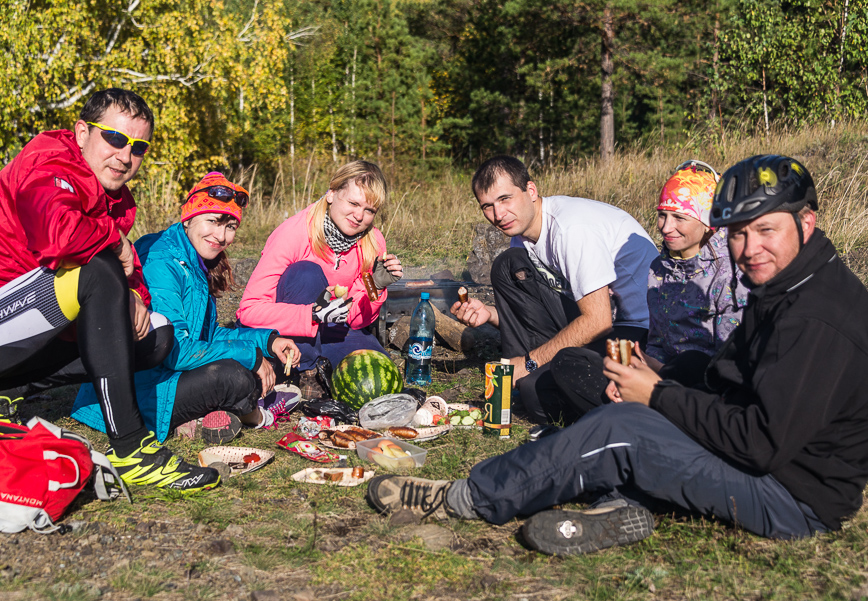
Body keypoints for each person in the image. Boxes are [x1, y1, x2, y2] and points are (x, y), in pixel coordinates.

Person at [367, 155, 868, 557]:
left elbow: (760, 443)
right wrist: (665, 376)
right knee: (651, 390)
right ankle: (621, 504)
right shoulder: (789, 282)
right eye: (737, 232)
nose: (749, 248)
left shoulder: (815, 317)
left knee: (621, 429)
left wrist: (656, 396)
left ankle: (467, 497)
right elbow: (729, 377)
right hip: (770, 459)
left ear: (807, 221)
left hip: (792, 495)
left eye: (765, 230)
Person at [0, 88, 220, 494]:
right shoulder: (46, 163)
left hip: (3, 333)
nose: (125, 156)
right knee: (98, 270)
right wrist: (116, 244)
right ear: (83, 132)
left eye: (138, 147)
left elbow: (126, 270)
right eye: (115, 139)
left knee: (154, 335)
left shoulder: (111, 194)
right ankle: (131, 447)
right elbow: (60, 239)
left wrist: (135, 293)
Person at [71, 172, 301, 444]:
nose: (221, 235)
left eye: (230, 226)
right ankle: (257, 415)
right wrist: (250, 357)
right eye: (213, 221)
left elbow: (207, 336)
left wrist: (268, 341)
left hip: (163, 378)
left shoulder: (192, 258)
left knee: (254, 362)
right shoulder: (162, 262)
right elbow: (175, 352)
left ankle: (215, 410)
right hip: (139, 392)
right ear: (189, 217)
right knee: (235, 377)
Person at [450, 155, 658, 423]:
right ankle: (514, 382)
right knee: (507, 266)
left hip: (637, 331)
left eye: (505, 199)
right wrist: (490, 314)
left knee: (537, 392)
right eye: (487, 206)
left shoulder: (570, 229)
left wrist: (528, 363)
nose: (498, 215)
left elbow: (598, 321)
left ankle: (637, 410)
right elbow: (537, 313)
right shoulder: (522, 237)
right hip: (601, 320)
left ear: (531, 190)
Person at [549, 160, 748, 423]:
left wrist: (657, 373)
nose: (665, 227)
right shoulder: (659, 268)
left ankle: (635, 420)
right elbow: (657, 342)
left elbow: (729, 361)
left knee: (691, 363)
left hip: (707, 387)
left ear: (708, 221)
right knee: (568, 361)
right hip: (662, 377)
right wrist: (638, 367)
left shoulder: (732, 272)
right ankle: (636, 417)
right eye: (662, 215)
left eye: (679, 218)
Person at [236, 160, 402, 398]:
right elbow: (249, 311)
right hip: (282, 332)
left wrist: (374, 286)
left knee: (376, 376)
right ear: (332, 193)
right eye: (354, 203)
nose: (359, 216)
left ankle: (314, 365)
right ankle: (305, 372)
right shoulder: (294, 233)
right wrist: (312, 315)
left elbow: (356, 321)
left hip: (333, 328)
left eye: (369, 210)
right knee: (306, 273)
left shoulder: (373, 242)